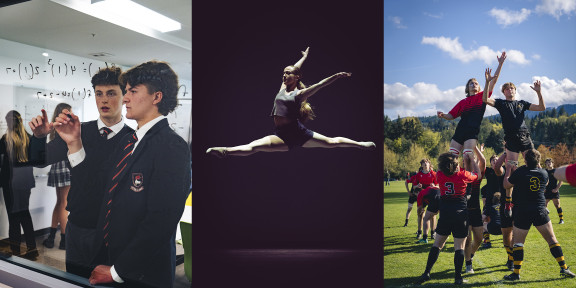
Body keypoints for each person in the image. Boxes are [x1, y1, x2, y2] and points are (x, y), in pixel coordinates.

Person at [54, 61, 191, 287]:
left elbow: (160, 222)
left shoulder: (172, 147)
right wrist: (74, 143)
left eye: (132, 91)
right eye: (126, 91)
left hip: (139, 272)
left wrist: (118, 271)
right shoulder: (129, 141)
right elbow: (95, 185)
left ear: (156, 97)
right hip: (112, 257)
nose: (125, 98)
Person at [29, 67, 134, 277]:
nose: (104, 100)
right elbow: (40, 161)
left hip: (114, 231)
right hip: (79, 227)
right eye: (99, 93)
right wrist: (39, 138)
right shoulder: (77, 131)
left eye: (111, 93)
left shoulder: (134, 139)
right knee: (75, 280)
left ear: (124, 97)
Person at [206, 47, 375, 157]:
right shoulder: (282, 88)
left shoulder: (299, 94)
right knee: (254, 147)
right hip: (282, 135)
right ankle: (225, 151)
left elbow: (320, 84)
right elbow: (295, 67)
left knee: (331, 142)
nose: (284, 76)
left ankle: (360, 145)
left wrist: (336, 76)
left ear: (297, 77)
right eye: (283, 73)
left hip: (299, 133)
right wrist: (304, 57)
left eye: (288, 74)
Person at [502, 149, 575, 281]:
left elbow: (506, 184)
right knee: (552, 240)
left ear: (525, 160)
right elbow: (545, 182)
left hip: (522, 211)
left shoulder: (520, 172)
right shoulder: (544, 173)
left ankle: (516, 273)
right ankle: (563, 267)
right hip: (539, 210)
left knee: (518, 243)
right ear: (539, 161)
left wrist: (508, 169)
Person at [415, 152, 479, 285]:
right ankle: (457, 278)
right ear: (456, 166)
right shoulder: (463, 175)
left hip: (445, 214)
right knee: (459, 247)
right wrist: (473, 161)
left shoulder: (439, 175)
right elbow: (477, 175)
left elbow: (442, 169)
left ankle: (427, 272)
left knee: (437, 244)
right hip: (460, 214)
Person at [437, 52, 506, 157]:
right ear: (467, 88)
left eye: (476, 83)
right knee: (451, 157)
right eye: (471, 83)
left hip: (472, 132)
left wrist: (500, 64)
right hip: (460, 130)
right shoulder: (462, 102)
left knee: (468, 156)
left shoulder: (482, 97)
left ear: (479, 88)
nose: (474, 84)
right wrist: (443, 115)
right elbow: (452, 115)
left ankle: (471, 174)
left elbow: (493, 82)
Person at [0, 110, 43, 260]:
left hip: (11, 184)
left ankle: (15, 252)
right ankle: (32, 250)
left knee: (13, 217)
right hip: (26, 183)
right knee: (24, 214)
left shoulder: (6, 139)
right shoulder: (30, 139)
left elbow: (2, 165)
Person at [43, 103, 73, 250]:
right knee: (64, 204)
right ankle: (64, 240)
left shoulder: (55, 127)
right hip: (65, 166)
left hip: (56, 167)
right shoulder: (66, 127)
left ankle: (50, 238)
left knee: (59, 202)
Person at [464, 145, 486, 274]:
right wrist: (468, 157)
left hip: (476, 211)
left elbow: (482, 161)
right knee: (467, 239)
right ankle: (468, 264)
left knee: (479, 239)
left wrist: (475, 148)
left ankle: (470, 255)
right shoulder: (464, 175)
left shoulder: (477, 178)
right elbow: (467, 165)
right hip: (464, 212)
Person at [412, 159, 438, 239]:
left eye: (427, 163)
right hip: (422, 196)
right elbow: (413, 186)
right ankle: (419, 232)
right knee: (420, 214)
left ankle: (433, 232)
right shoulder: (418, 175)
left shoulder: (434, 174)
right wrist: (418, 186)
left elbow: (439, 186)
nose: (426, 164)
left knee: (432, 215)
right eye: (424, 163)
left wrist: (434, 186)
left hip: (432, 196)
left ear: (429, 165)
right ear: (422, 165)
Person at [544, 158, 564, 224]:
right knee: (543, 206)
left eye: (550, 162)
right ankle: (544, 221)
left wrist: (556, 189)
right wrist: (543, 188)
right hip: (546, 191)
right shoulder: (544, 171)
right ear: (546, 164)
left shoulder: (556, 171)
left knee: (557, 205)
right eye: (547, 163)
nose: (549, 164)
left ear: (553, 163)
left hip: (554, 191)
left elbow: (561, 181)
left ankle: (561, 220)